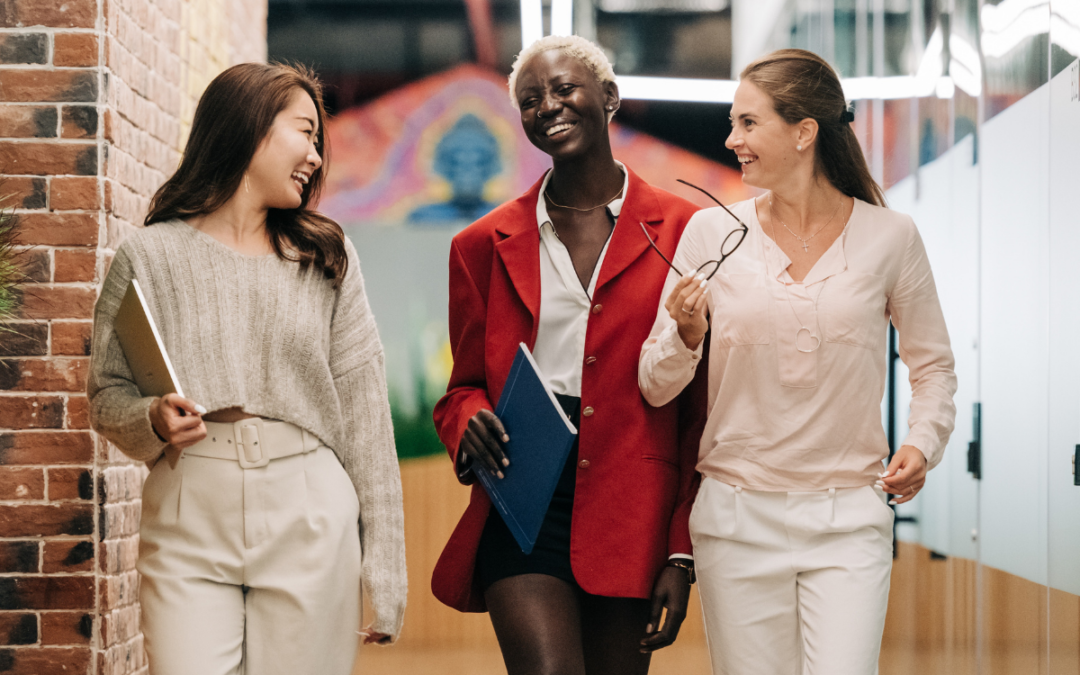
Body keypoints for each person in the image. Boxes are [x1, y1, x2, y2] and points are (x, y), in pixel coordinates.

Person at [638, 49, 957, 674]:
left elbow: (933, 367)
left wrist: (923, 442)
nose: (732, 140)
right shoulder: (709, 233)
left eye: (748, 123)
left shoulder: (891, 236)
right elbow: (655, 385)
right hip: (735, 522)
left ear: (804, 132)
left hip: (849, 522)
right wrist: (685, 331)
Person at [87, 63, 406, 675]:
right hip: (188, 507)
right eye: (304, 132)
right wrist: (150, 417)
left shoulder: (326, 256)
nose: (315, 155)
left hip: (309, 507)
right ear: (250, 127)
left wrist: (386, 567)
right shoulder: (148, 257)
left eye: (318, 141)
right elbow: (106, 395)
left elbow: (366, 416)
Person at [431, 35, 707, 675]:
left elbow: (700, 408)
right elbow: (462, 386)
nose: (547, 106)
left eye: (563, 89)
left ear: (608, 97)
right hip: (523, 495)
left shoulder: (687, 231)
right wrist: (466, 417)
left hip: (632, 505)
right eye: (531, 101)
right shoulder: (481, 244)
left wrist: (680, 551)